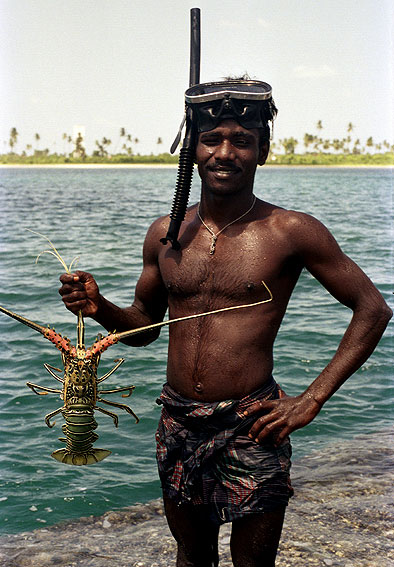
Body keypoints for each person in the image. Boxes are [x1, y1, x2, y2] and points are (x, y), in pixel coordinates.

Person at [59, 79, 392, 567]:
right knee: (191, 555)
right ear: (192, 150)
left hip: (253, 423)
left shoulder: (290, 231)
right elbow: (145, 326)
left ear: (263, 152)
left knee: (253, 563)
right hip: (177, 421)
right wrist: (99, 306)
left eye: (242, 140)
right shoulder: (166, 234)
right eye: (212, 139)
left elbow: (373, 307)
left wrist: (311, 400)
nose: (225, 153)